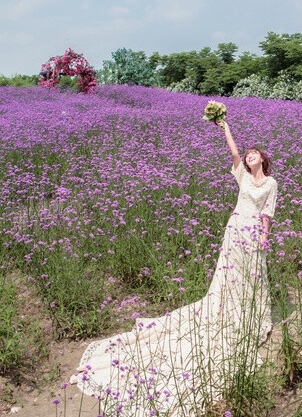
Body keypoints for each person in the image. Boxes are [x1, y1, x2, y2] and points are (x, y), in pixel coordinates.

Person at [70, 120, 277, 416]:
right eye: (247, 154)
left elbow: (268, 212)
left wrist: (265, 236)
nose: (248, 156)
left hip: (254, 233)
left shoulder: (271, 183)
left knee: (253, 277)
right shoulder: (242, 176)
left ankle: (248, 315)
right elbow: (232, 153)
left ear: (263, 158)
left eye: (253, 154)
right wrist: (225, 127)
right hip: (235, 230)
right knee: (229, 277)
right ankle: (225, 312)